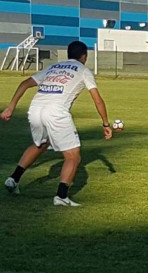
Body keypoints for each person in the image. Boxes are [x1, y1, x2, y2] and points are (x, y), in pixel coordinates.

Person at [1, 40, 113, 206]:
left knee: (41, 144)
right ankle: (61, 196)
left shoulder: (53, 67)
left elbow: (25, 83)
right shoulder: (83, 70)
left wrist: (11, 107)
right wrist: (105, 124)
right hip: (56, 112)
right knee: (73, 156)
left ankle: (13, 179)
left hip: (35, 109)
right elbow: (97, 100)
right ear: (84, 56)